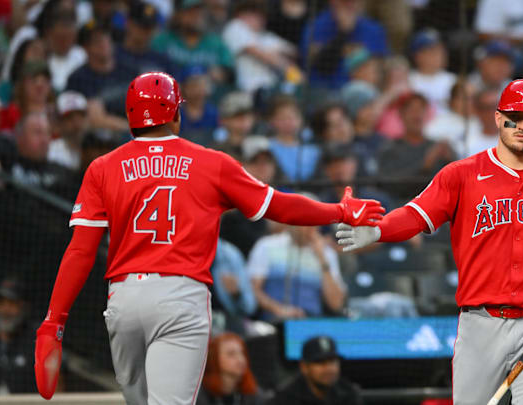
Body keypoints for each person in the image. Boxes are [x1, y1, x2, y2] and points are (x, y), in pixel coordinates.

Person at [33, 71, 385, 404]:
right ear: (175, 115)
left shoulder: (102, 167)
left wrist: (54, 322)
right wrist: (338, 211)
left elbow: (80, 251)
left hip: (123, 299)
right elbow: (279, 206)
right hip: (179, 297)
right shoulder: (211, 162)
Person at [336, 78, 523, 404]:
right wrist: (379, 230)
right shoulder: (462, 174)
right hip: (480, 323)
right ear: (497, 117)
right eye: (513, 118)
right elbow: (416, 214)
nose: (521, 127)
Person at [272, 335, 362, 405]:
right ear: (304, 367)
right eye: (321, 363)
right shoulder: (286, 397)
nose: (329, 368)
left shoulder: (348, 392)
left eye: (332, 362)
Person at [196, 332, 268, 405]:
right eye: (231, 354)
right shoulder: (200, 395)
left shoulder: (253, 393)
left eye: (242, 353)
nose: (240, 359)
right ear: (214, 358)